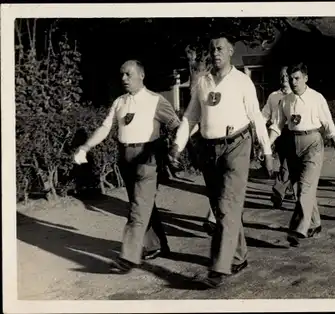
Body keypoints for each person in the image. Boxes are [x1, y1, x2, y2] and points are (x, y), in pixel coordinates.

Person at [169, 35, 274, 288]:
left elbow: (256, 118)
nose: (215, 52)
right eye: (212, 49)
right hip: (209, 149)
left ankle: (218, 267)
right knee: (220, 207)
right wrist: (177, 145)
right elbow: (190, 118)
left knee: (227, 205)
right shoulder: (203, 82)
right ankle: (238, 257)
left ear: (229, 52)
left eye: (220, 49)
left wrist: (267, 152)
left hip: (237, 145)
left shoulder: (242, 81)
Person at [73, 60, 181, 273]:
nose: (123, 79)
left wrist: (171, 149)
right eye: (121, 74)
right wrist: (85, 147)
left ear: (141, 75)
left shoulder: (155, 100)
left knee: (137, 209)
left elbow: (177, 125)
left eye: (128, 74)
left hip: (146, 160)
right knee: (141, 203)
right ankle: (158, 245)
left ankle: (128, 257)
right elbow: (105, 128)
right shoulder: (120, 102)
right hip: (126, 159)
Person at [268, 62, 335, 247]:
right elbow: (276, 126)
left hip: (313, 144)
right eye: (291, 79)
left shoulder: (317, 98)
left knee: (305, 188)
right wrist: (266, 146)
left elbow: (329, 126)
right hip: (292, 145)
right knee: (298, 188)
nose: (293, 82)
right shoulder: (285, 101)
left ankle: (298, 228)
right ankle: (315, 223)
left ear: (305, 79)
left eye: (297, 78)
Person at [260, 66, 295, 209]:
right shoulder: (273, 96)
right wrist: (258, 129)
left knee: (288, 163)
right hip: (277, 134)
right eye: (282, 76)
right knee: (285, 163)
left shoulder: (296, 95)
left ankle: (278, 191)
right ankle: (290, 188)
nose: (284, 79)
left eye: (287, 76)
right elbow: (264, 115)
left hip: (293, 132)